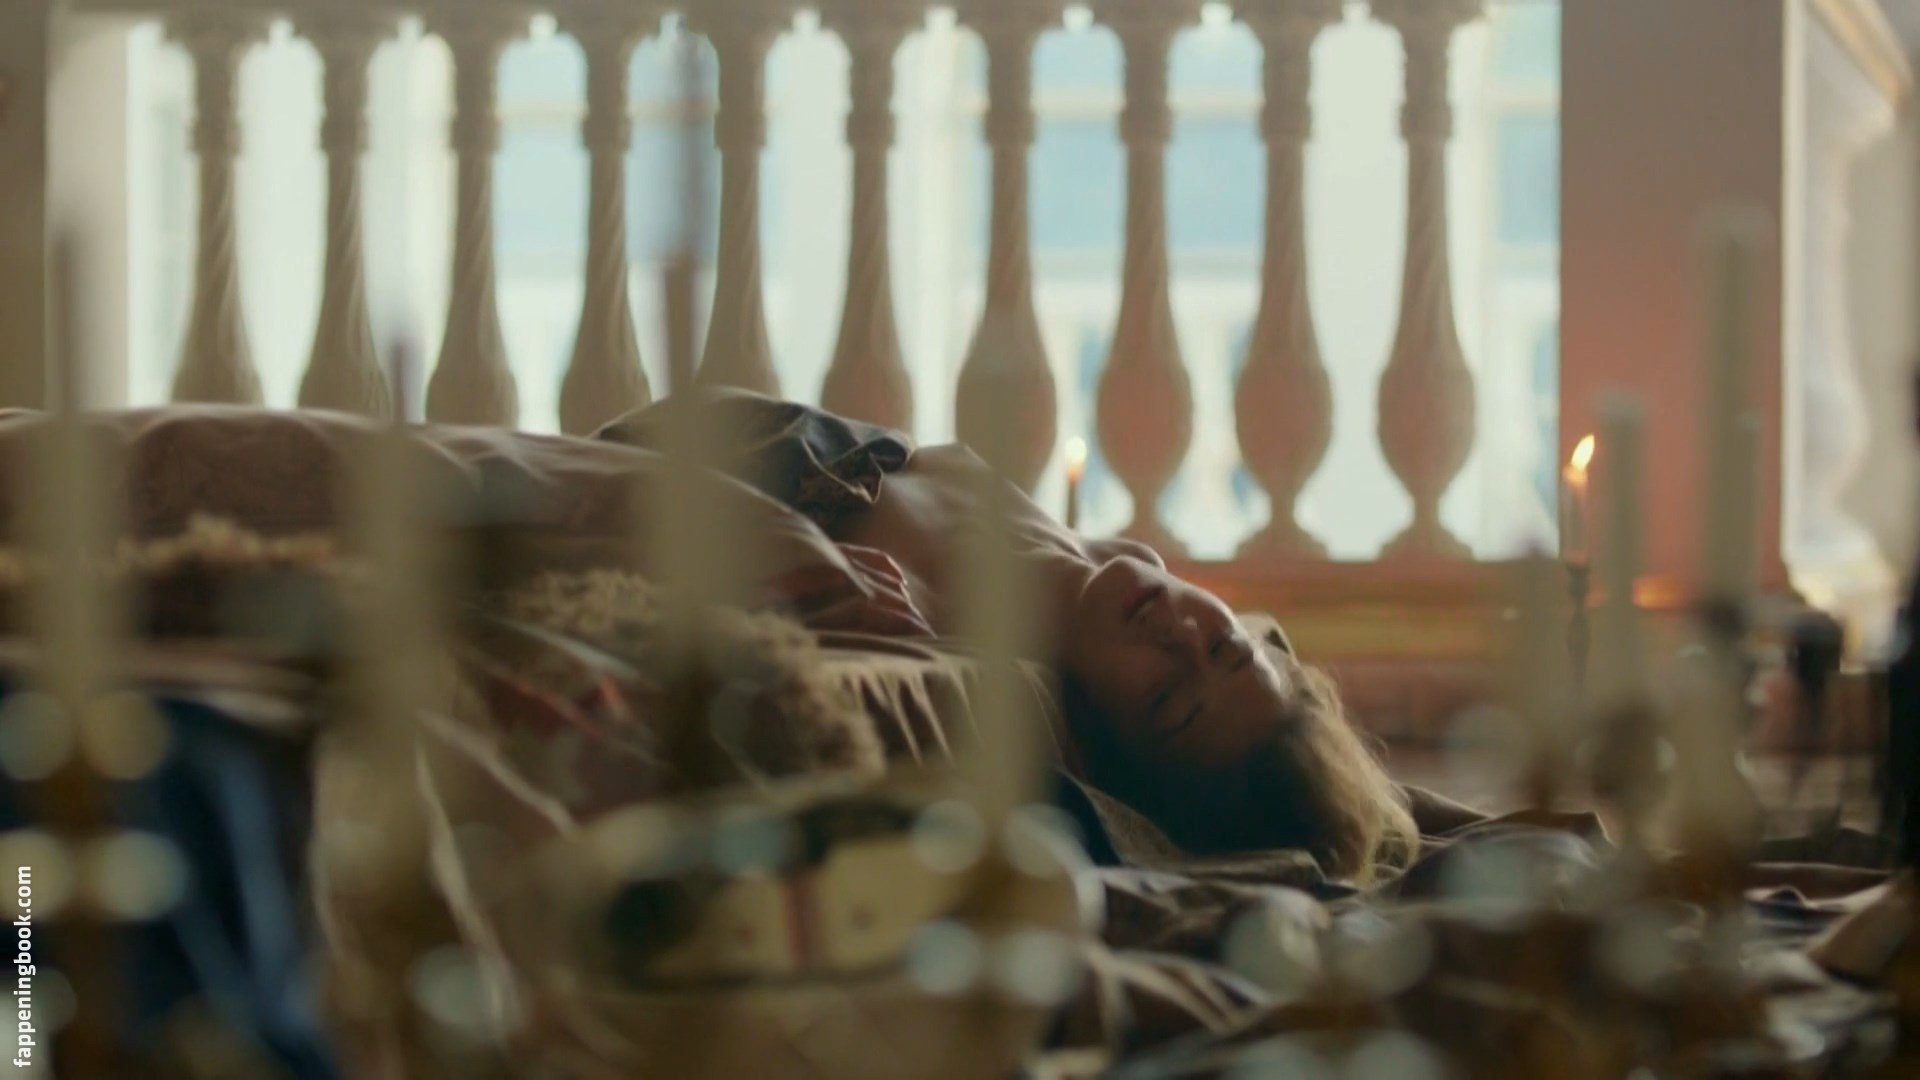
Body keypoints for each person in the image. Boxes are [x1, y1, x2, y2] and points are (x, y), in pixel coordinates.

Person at [599, 389, 1420, 881]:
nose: (1179, 636)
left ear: (1106, 739)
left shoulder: (945, 634)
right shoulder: (1123, 566)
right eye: (1224, 648)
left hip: (642, 488)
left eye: (1169, 698)